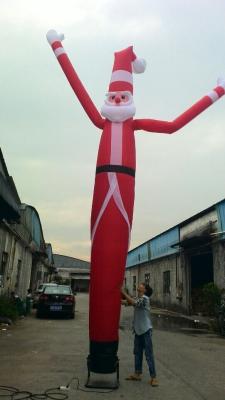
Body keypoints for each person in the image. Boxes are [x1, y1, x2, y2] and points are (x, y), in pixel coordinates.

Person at [121, 283, 158, 387]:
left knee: (148, 355)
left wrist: (123, 292)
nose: (139, 285)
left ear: (144, 290)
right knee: (137, 353)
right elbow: (127, 302)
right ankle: (137, 374)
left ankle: (154, 377)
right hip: (138, 330)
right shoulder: (138, 297)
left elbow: (133, 302)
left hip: (146, 331)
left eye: (141, 285)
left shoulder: (145, 299)